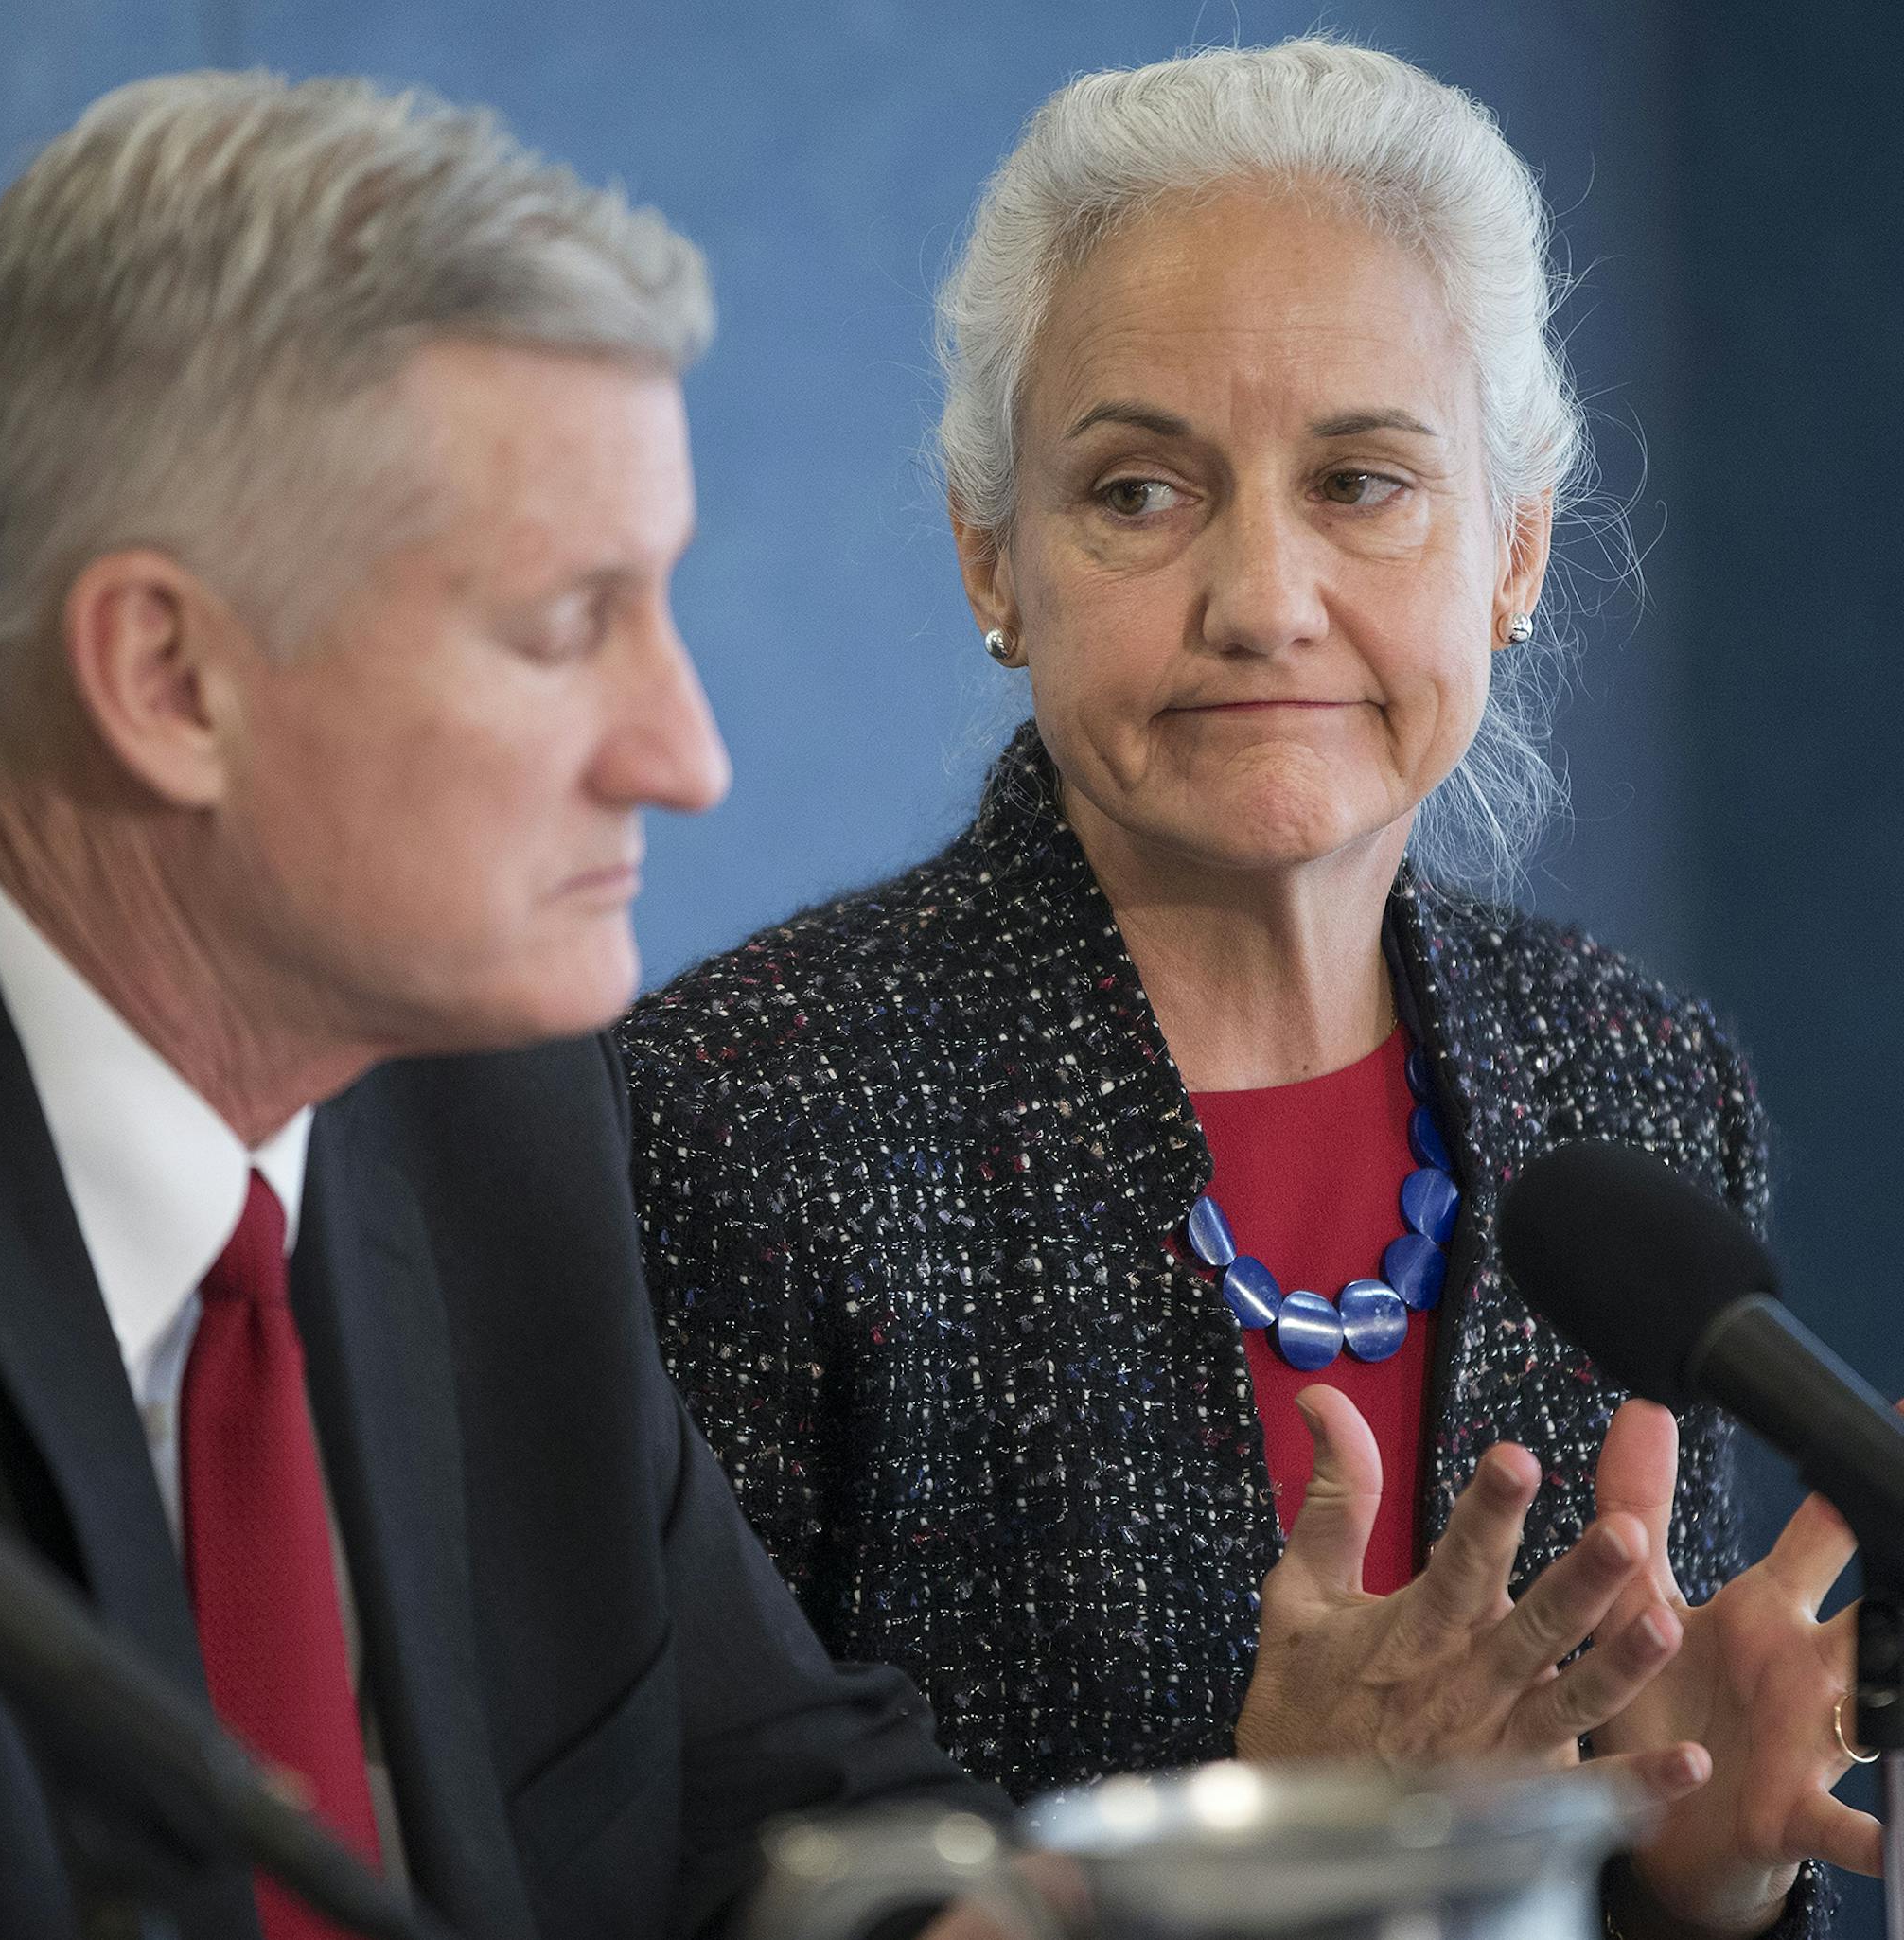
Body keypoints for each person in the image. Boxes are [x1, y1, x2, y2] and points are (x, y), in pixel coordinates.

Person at [624, 40, 1870, 1940]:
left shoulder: (1637, 1082)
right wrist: (1241, 1851)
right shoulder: (741, 1111)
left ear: (1515, 548)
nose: (1262, 596)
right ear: (995, 557)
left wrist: (1693, 1880)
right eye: (1140, 491)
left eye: (1363, 480)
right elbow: (674, 1883)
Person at [0, 72, 1002, 1940]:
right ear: (167, 675)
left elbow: (793, 1813)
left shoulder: (493, 1097)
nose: (690, 753)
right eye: (569, 625)